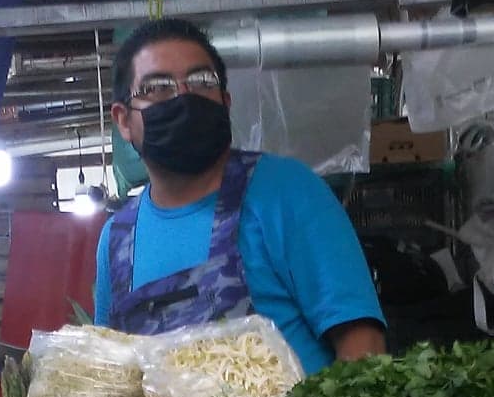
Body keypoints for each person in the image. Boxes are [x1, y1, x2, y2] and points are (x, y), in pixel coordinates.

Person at [93, 19, 386, 372]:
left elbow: (363, 346)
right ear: (123, 120)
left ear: (225, 102)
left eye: (202, 82)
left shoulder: (285, 191)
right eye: (157, 87)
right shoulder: (117, 241)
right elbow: (112, 377)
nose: (184, 97)